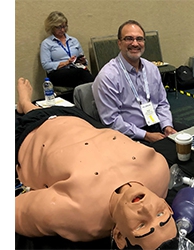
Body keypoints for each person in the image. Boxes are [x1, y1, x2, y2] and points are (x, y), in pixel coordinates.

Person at [14, 77, 178, 249]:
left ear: (119, 236)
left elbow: (17, 209)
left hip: (34, 133)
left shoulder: (78, 216)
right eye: (160, 214)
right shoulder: (158, 171)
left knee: (31, 113)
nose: (146, 209)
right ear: (167, 205)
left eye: (142, 225)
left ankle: (25, 104)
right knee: (51, 110)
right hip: (79, 120)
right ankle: (27, 106)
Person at [92, 20, 177, 143]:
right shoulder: (107, 77)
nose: (135, 43)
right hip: (130, 135)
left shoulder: (152, 69)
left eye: (139, 39)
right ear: (119, 43)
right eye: (129, 39)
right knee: (168, 157)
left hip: (157, 124)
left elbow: (162, 103)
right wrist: (146, 135)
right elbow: (112, 122)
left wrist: (167, 126)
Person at [40, 11, 95, 88]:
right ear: (52, 27)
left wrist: (83, 61)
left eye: (64, 26)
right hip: (57, 73)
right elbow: (46, 65)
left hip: (76, 70)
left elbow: (83, 60)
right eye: (59, 27)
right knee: (82, 74)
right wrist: (66, 63)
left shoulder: (74, 40)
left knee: (81, 82)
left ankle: (81, 98)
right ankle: (97, 94)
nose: (62, 30)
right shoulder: (47, 43)